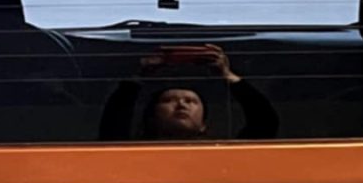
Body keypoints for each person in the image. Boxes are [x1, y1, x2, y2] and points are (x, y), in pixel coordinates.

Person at [101, 43, 279, 139]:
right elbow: (113, 124)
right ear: (151, 118)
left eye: (191, 101)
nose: (181, 105)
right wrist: (139, 77)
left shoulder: (223, 155)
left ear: (203, 125)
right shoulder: (130, 153)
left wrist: (228, 75)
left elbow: (265, 123)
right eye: (168, 100)